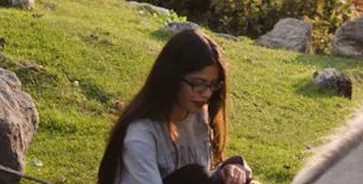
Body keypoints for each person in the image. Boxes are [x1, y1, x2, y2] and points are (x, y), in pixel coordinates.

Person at [97, 28, 255, 184]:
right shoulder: (141, 133)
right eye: (198, 83)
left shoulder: (199, 115)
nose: (207, 93)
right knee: (194, 175)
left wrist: (228, 171)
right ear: (172, 78)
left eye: (213, 85)